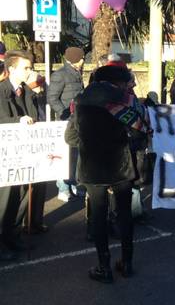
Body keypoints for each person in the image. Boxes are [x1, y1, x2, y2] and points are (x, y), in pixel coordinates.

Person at [65, 65, 149, 283]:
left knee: (99, 216)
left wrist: (89, 145)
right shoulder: (125, 102)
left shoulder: (80, 101)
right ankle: (127, 263)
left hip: (92, 167)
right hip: (121, 165)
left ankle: (104, 267)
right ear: (118, 82)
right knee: (124, 214)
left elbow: (70, 137)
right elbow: (140, 132)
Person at [0, 51, 38, 261]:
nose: (29, 71)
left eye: (30, 67)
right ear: (12, 68)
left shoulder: (29, 93)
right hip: (7, 157)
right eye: (26, 67)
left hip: (27, 154)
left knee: (23, 195)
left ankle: (12, 236)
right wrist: (18, 122)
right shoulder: (0, 91)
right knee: (5, 200)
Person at [48, 46, 85, 202]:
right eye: (82, 58)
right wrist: (64, 114)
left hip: (77, 121)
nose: (84, 61)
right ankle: (63, 188)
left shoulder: (77, 74)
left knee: (76, 155)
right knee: (64, 156)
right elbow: (52, 98)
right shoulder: (60, 75)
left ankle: (74, 184)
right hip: (66, 122)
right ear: (77, 59)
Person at [19, 72, 50, 234]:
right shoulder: (24, 98)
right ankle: (24, 223)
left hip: (43, 145)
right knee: (27, 189)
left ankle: (37, 220)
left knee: (41, 186)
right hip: (28, 147)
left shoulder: (43, 98)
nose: (41, 89)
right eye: (38, 85)